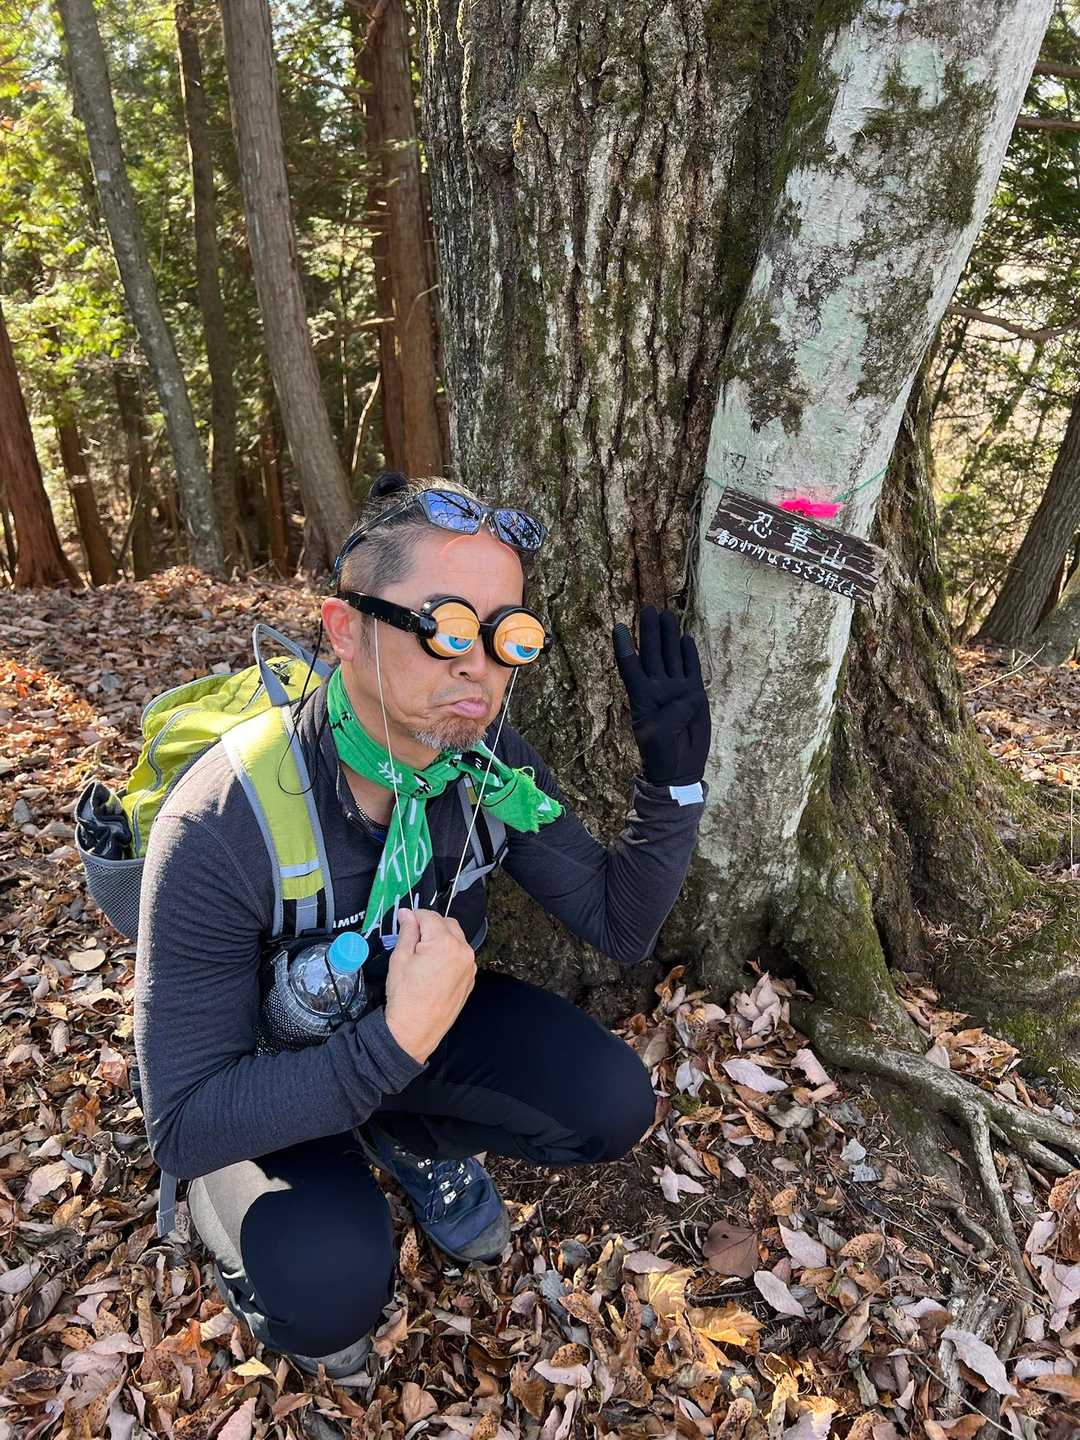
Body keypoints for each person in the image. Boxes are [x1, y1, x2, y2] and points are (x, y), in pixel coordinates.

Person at [133, 472, 711, 1383]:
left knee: (610, 1104)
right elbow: (181, 1122)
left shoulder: (485, 769)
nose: (478, 666)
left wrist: (673, 783)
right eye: (444, 626)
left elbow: (619, 923)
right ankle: (232, 1203)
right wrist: (391, 1045)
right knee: (328, 1297)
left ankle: (403, 1137)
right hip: (260, 1076)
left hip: (406, 1030)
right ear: (345, 628)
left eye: (507, 636)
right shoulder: (223, 823)